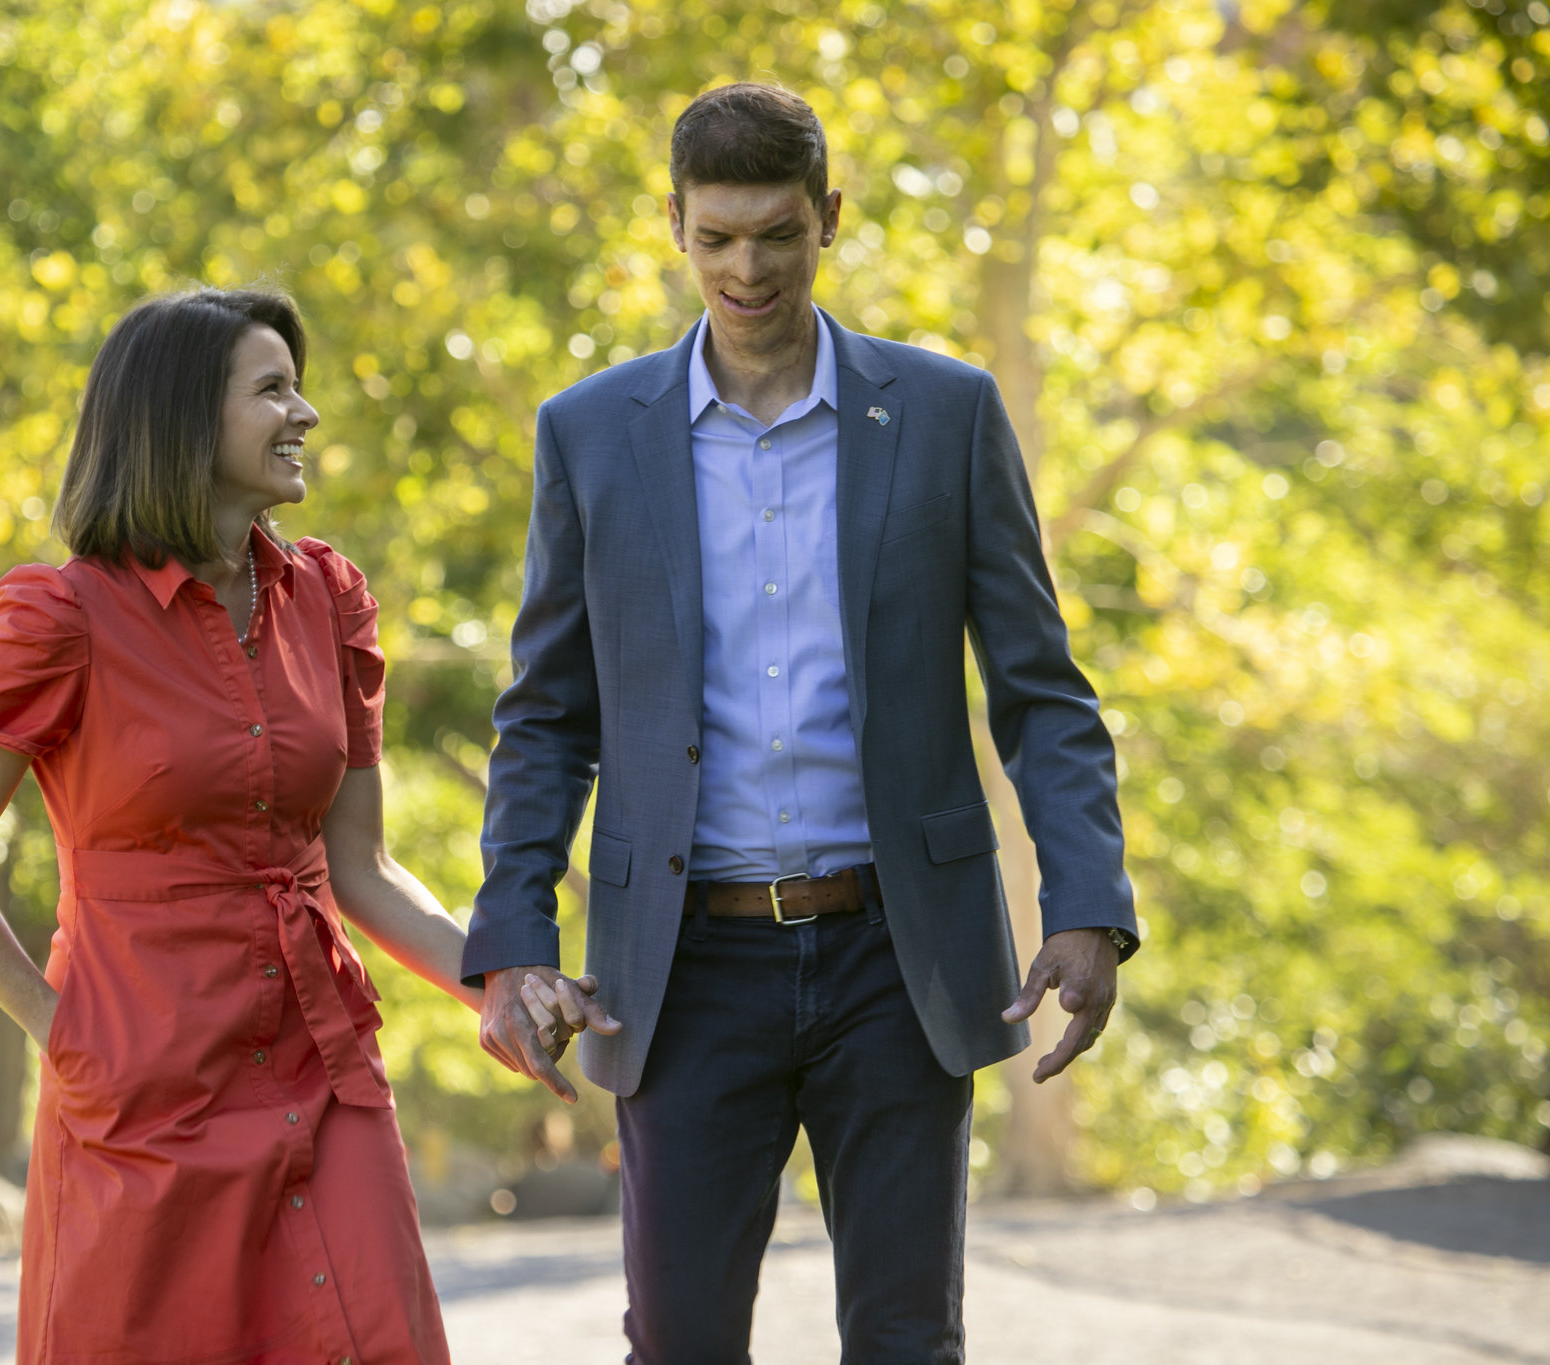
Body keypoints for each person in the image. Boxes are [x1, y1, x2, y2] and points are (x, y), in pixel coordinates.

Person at [465, 84, 1138, 1363]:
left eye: (776, 233)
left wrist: (1085, 902)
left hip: (897, 954)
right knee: (677, 1343)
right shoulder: (590, 434)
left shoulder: (943, 415)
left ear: (829, 218)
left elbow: (1041, 690)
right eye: (715, 237)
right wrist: (511, 940)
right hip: (678, 966)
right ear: (672, 225)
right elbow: (547, 715)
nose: (746, 268)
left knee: (903, 1339)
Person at [0, 288, 469, 1365]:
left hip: (320, 1061)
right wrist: (58, 1032)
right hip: (139, 1090)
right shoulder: (60, 617)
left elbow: (365, 868)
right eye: (272, 390)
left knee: (374, 1339)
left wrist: (502, 984)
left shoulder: (327, 600)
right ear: (181, 420)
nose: (302, 414)